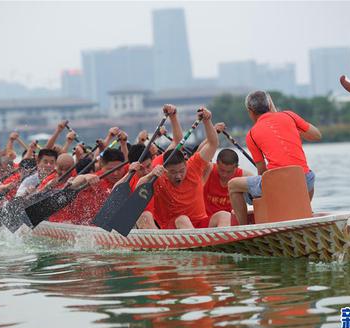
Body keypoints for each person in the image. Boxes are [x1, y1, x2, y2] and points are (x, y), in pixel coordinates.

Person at [228, 91, 322, 225]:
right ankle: (303, 212)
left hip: (278, 185)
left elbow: (262, 171)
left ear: (250, 111)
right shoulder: (289, 115)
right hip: (305, 182)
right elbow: (316, 135)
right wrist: (291, 126)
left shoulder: (252, 135)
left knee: (233, 185)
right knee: (308, 174)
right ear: (269, 105)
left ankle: (242, 228)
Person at [136, 107, 230, 229]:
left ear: (186, 164)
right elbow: (138, 187)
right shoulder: (158, 174)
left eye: (181, 171)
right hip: (173, 227)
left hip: (199, 224)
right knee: (182, 219)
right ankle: (199, 246)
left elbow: (213, 144)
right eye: (173, 172)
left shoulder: (193, 165)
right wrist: (150, 175)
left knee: (224, 215)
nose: (178, 176)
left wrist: (207, 121)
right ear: (165, 170)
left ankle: (222, 245)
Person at [203, 148, 251, 216]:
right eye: (221, 170)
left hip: (230, 220)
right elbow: (198, 157)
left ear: (236, 167)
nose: (224, 175)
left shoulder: (245, 176)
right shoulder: (208, 170)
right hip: (208, 221)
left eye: (229, 172)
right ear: (217, 163)